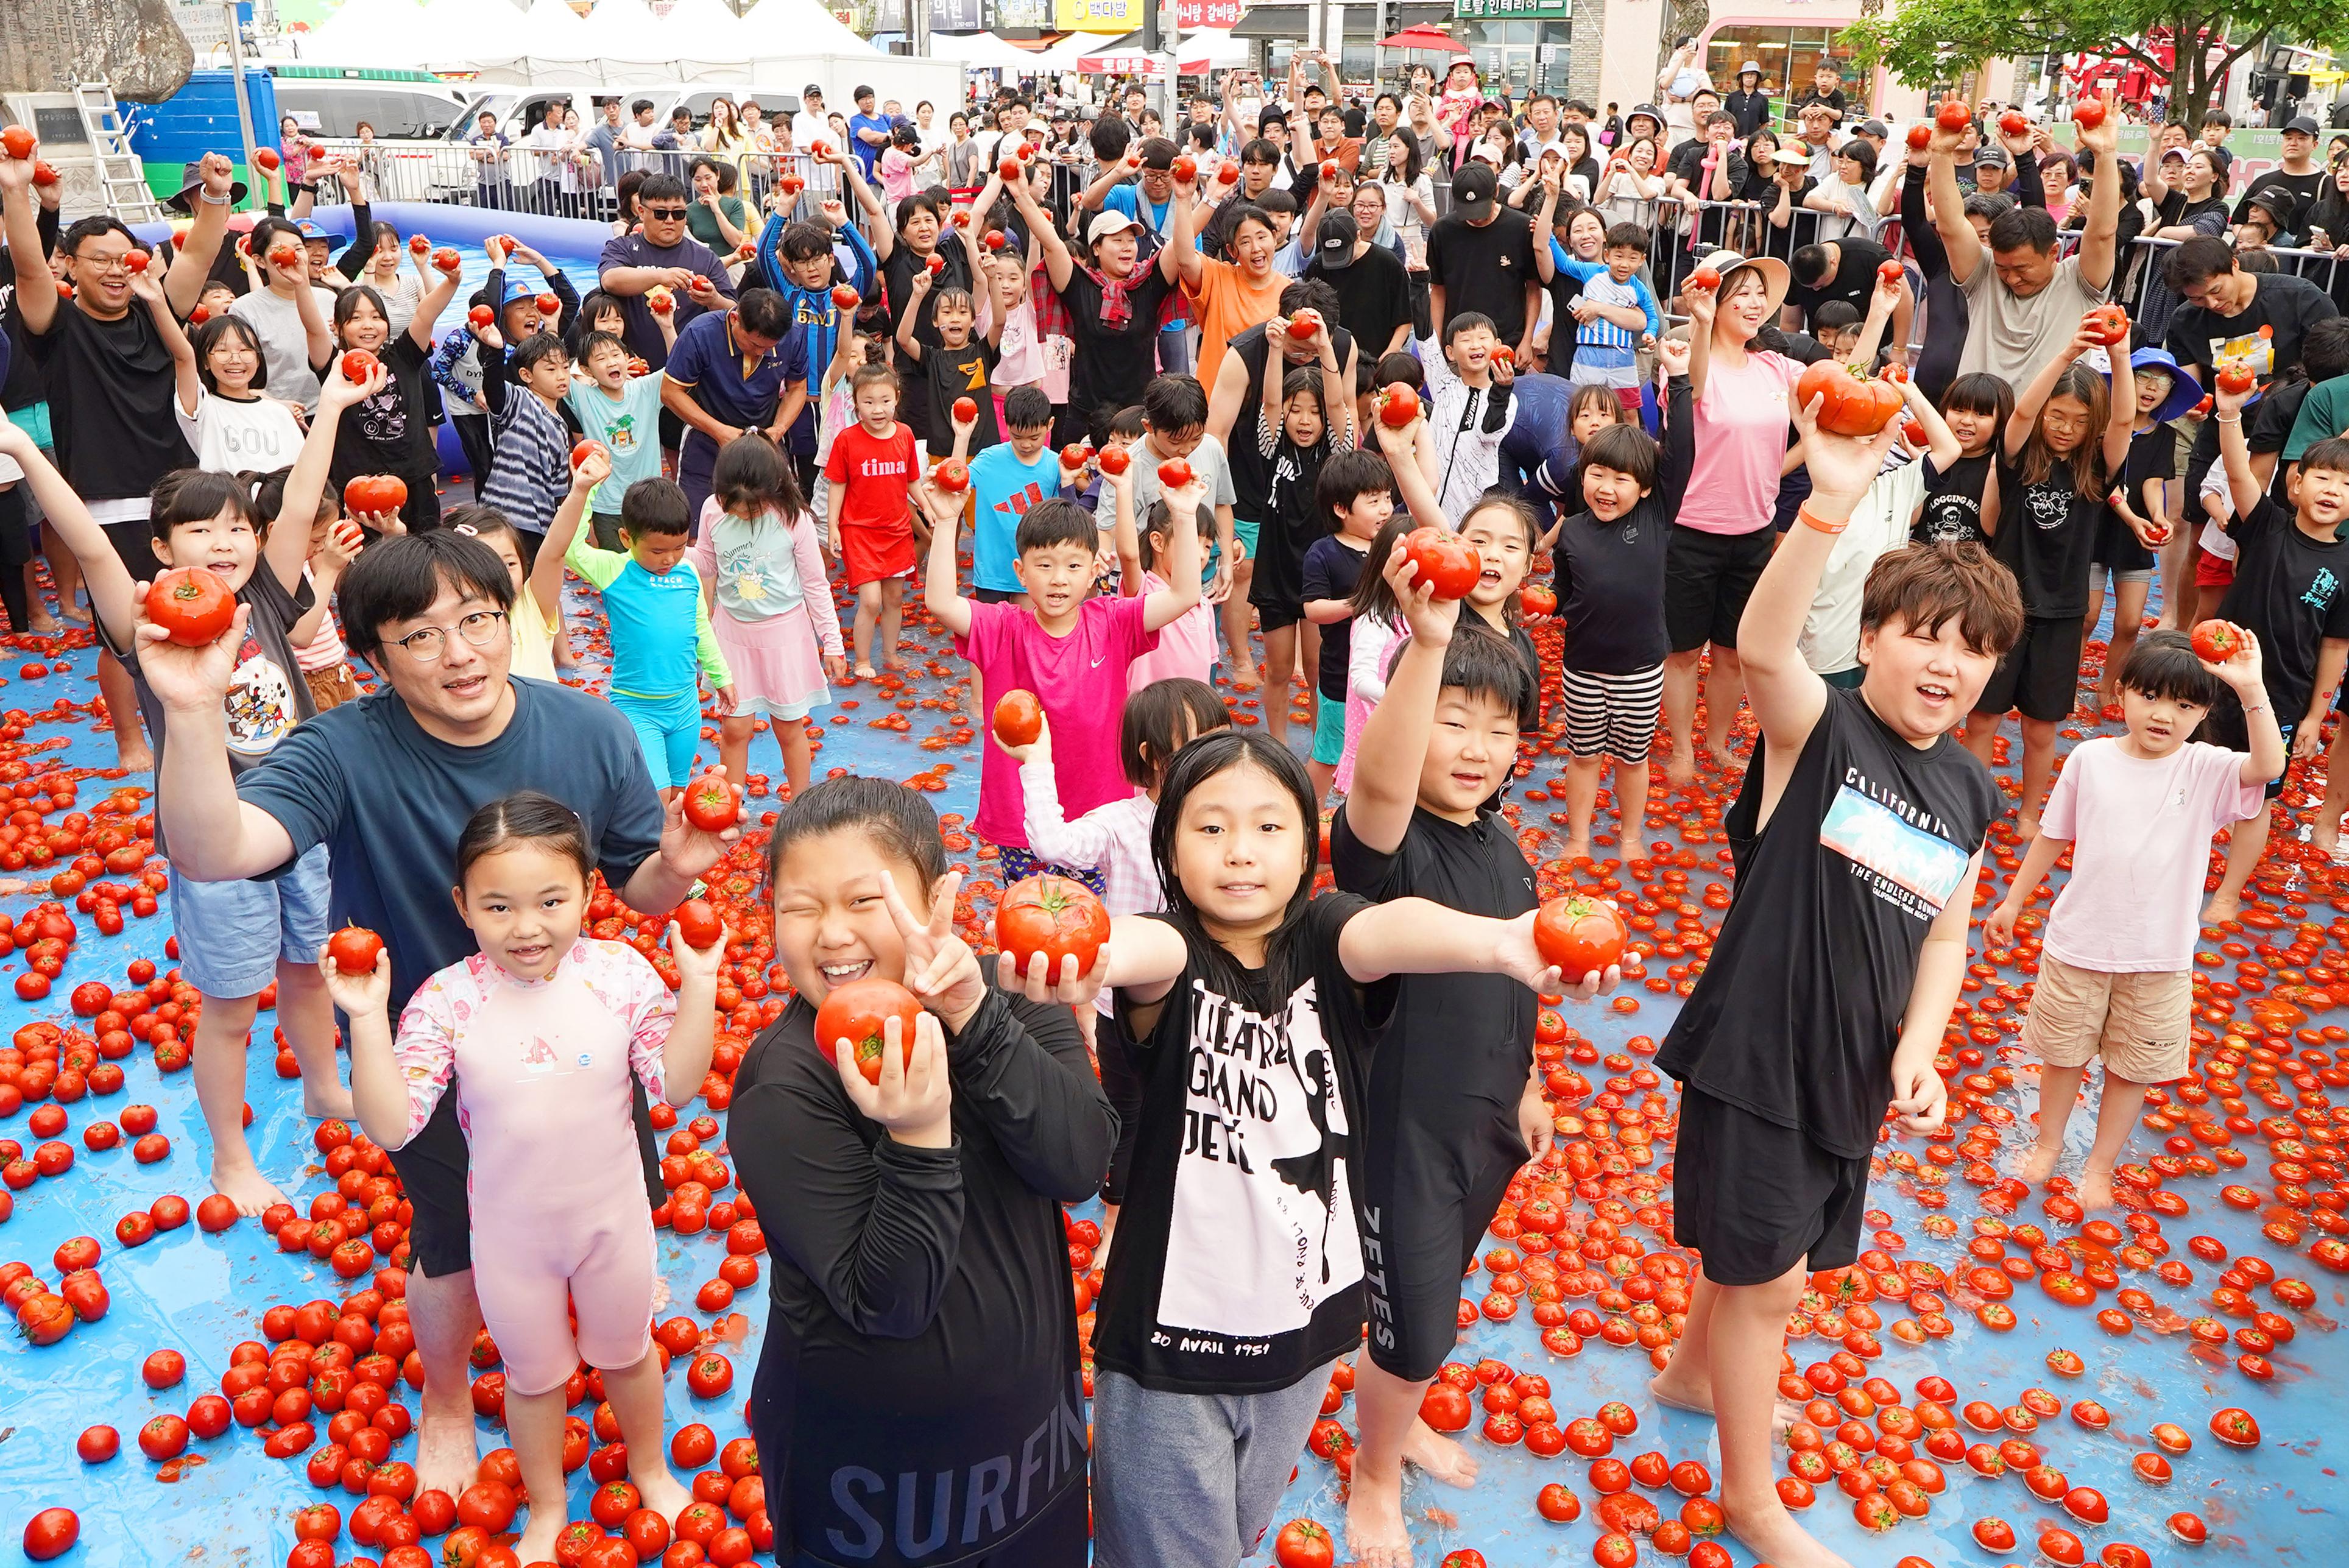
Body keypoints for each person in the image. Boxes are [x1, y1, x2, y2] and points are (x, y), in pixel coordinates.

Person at [1650, 391, 2022, 1568]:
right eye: (1924, 635)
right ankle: (1751, 1502)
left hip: (1852, 1070)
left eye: (1971, 651)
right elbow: (1761, 645)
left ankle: (1689, 1376)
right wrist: (1827, 507)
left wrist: (1919, 1050)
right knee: (1771, 1282)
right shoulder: (1819, 729)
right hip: (1761, 1050)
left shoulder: (1970, 791)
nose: (1945, 662)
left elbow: (1947, 937)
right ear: (1871, 640)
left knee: (1771, 1256)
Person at [1082, 727, 1593, 1568]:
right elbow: (1135, 950)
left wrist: (1502, 944)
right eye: (1210, 828)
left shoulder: (1328, 936)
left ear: (1307, 841)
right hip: (1171, 1351)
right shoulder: (1169, 952)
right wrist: (1082, 953)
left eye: (1270, 827)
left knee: (1236, 1536)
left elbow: (1387, 931)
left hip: (1303, 1339)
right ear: (1168, 844)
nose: (1241, 852)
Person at [0, 358, 359, 1217]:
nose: (226, 543)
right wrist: (20, 447)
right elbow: (89, 541)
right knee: (232, 1007)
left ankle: (322, 1088)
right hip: (215, 848)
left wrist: (334, 406)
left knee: (310, 972)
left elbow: (301, 505)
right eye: (200, 531)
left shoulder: (264, 601)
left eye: (236, 527)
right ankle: (231, 1158)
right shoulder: (151, 622)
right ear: (162, 549)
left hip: (300, 826)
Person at [729, 775, 1110, 1567]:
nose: (831, 934)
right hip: (871, 1493)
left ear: (937, 895)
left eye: (864, 900)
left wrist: (977, 1023)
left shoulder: (1006, 991)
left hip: (1028, 1456)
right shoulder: (785, 1083)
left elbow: (1080, 1162)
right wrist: (919, 1135)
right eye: (799, 908)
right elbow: (888, 1300)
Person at [334, 788, 713, 1566]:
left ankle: (650, 1467)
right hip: (511, 1241)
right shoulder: (448, 1001)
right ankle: (545, 1507)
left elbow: (673, 1085)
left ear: (587, 890)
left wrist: (700, 983)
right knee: (533, 1378)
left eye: (551, 900)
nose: (527, 927)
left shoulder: (619, 976)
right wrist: (368, 1017)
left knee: (629, 1352)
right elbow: (394, 1122)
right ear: (463, 907)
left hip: (612, 1225)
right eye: (499, 906)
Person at [1332, 544, 1617, 1566]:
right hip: (1401, 1135)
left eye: (1499, 729)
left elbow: (1515, 973)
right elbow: (1376, 776)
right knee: (1411, 1328)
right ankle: (1373, 1471)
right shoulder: (1385, 839)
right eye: (1454, 720)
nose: (1476, 746)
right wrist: (1432, 645)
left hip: (1486, 1124)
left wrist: (1532, 1081)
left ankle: (1398, 1420)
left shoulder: (1502, 847)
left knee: (1437, 1289)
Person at [1986, 632, 2280, 1209]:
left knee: (2132, 1070)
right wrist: (2014, 899)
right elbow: (2054, 835)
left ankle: (2099, 1167)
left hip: (2159, 956)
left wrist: (2251, 689)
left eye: (2186, 705)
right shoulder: (2091, 760)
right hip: (2078, 944)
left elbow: (2269, 766)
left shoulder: (2208, 768)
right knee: (2063, 1055)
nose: (2164, 715)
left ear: (2204, 712)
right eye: (2150, 696)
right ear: (2122, 693)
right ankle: (2048, 1145)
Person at [920, 467, 1202, 883]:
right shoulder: (1003, 629)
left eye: (1073, 565)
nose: (1058, 579)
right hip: (1023, 818)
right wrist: (947, 523)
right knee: (1031, 921)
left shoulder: (1112, 623)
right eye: (1045, 565)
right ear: (1020, 572)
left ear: (1092, 573)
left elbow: (1184, 596)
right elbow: (942, 602)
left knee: (1090, 926)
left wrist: (1184, 515)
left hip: (1098, 817)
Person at [2200, 380, 2349, 909]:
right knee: (2189, 772)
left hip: (2282, 695)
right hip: (2214, 676)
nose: (2333, 488)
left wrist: (2314, 717)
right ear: (2296, 484)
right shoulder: (2266, 527)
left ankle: (2228, 893)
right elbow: (2239, 473)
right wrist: (2230, 415)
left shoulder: (2347, 565)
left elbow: (2335, 646)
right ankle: (2173, 864)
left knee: (2255, 796)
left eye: (2347, 483)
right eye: (2324, 476)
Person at [1552, 338, 1698, 860]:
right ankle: (1578, 838)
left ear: (1645, 487)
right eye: (1597, 474)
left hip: (1639, 668)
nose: (1607, 487)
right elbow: (1564, 593)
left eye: (1621, 479)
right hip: (1582, 667)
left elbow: (1682, 453)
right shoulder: (1573, 532)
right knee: (1585, 756)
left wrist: (1677, 382)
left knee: (1633, 759)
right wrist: (1549, 603)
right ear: (1582, 474)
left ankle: (1632, 837)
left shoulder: (1658, 517)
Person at [1665, 251, 1801, 783]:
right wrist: (1698, 324)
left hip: (1754, 534)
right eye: (1740, 291)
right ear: (1715, 302)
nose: (1755, 302)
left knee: (1731, 653)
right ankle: (1681, 748)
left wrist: (1881, 313)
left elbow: (1839, 387)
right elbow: (1693, 387)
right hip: (1692, 531)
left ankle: (1717, 743)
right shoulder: (1683, 354)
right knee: (1681, 653)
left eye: (1759, 293)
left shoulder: (1776, 366)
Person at [1929, 92, 2122, 388]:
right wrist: (1941, 155)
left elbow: (2103, 232)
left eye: (2022, 268)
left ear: (2053, 252)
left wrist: (2106, 155)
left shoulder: (2080, 281)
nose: (2011, 278)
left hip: (2050, 426)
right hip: (1978, 421)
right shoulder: (1984, 274)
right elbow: (1952, 226)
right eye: (2004, 268)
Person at [693, 433, 843, 798]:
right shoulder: (713, 510)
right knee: (735, 728)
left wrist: (833, 641)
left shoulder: (794, 520)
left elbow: (815, 584)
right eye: (736, 505)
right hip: (733, 635)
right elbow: (707, 562)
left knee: (789, 726)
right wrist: (667, 553)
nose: (743, 513)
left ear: (774, 490)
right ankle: (731, 808)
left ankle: (801, 805)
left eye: (752, 507)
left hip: (784, 636)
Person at [1249, 351, 1352, 747]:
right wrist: (1274, 349)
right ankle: (1275, 747)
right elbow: (1270, 401)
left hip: (1319, 579)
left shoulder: (1335, 455)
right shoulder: (1271, 447)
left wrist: (1326, 347)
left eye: (1314, 412)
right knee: (1277, 670)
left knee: (1315, 669)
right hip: (1275, 574)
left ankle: (1321, 750)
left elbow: (1338, 403)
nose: (1305, 420)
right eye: (1296, 411)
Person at [2088, 349, 2200, 712]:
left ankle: (2108, 687)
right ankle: (2063, 683)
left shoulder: (2165, 436)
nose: (2152, 388)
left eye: (2163, 382)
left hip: (2134, 537)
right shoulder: (2100, 426)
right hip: (2093, 529)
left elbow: (2153, 483)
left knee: (2131, 623)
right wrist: (2136, 521)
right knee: (2086, 616)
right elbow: (2107, 485)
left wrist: (2158, 517)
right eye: (2143, 377)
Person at [314, 269, 464, 534]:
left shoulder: (404, 355)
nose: (368, 325)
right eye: (356, 318)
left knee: (424, 549)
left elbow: (425, 314)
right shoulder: (335, 366)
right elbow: (313, 331)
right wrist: (302, 285)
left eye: (376, 317)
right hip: (359, 485)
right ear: (337, 326)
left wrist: (452, 281)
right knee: (370, 563)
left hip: (413, 477)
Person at [658, 289, 810, 523]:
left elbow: (798, 387)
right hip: (707, 439)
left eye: (769, 348)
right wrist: (719, 431)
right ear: (734, 319)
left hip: (765, 440)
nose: (761, 352)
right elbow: (670, 392)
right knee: (695, 527)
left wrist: (778, 430)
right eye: (754, 344)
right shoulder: (700, 333)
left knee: (780, 522)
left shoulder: (794, 335)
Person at [1301, 448, 1391, 797]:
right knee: (1329, 754)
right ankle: (1308, 813)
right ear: (1341, 509)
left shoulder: (1390, 544)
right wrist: (1359, 602)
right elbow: (1314, 608)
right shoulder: (1324, 553)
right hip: (1342, 677)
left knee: (1379, 754)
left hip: (1384, 676)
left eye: (1387, 498)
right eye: (1373, 501)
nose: (1385, 509)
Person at [825, 364, 920, 678]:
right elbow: (837, 486)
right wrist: (833, 527)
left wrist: (929, 509)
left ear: (897, 399)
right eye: (868, 402)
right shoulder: (846, 440)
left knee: (894, 598)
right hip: (860, 531)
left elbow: (912, 483)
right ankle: (863, 660)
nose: (877, 409)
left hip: (896, 530)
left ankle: (891, 654)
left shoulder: (905, 435)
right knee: (870, 600)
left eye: (884, 400)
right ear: (855, 404)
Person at [598, 173, 739, 375]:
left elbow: (734, 311)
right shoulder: (623, 247)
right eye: (661, 214)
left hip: (690, 371)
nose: (670, 221)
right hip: (631, 371)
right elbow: (610, 280)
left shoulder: (705, 258)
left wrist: (713, 298)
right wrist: (661, 276)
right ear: (641, 211)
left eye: (679, 214)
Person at [1427, 161, 1541, 358]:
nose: (1476, 218)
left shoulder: (1521, 227)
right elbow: (1438, 290)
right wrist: (1436, 343)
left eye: (1480, 209)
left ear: (1496, 191)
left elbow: (1533, 288)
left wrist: (1527, 339)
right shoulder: (1443, 230)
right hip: (1459, 344)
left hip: (1507, 344)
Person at [566, 330, 667, 551]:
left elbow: (679, 365)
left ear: (627, 358)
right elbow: (561, 370)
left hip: (649, 503)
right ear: (586, 370)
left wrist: (666, 325)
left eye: (616, 355)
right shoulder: (585, 397)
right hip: (607, 507)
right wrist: (553, 323)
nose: (611, 362)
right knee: (615, 574)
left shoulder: (646, 389)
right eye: (600, 359)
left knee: (653, 567)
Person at [1722, 62, 1770, 139]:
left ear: (1757, 78)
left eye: (1753, 74)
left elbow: (1764, 123)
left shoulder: (1762, 99)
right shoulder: (1732, 97)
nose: (1749, 77)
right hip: (1733, 141)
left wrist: (1755, 138)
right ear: (1742, 77)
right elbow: (1726, 120)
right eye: (1746, 74)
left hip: (1752, 142)